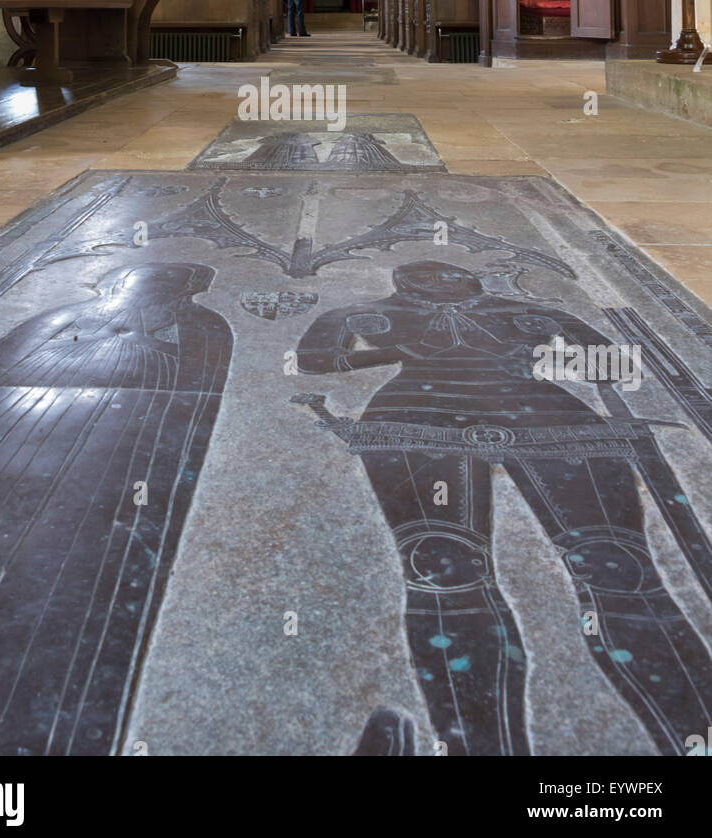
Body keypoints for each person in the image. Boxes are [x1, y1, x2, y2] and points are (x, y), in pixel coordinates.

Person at [294, 260, 712, 757]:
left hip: (552, 419)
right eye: (427, 277)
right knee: (442, 568)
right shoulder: (361, 311)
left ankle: (693, 737)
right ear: (401, 283)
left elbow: (617, 365)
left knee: (616, 568)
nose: (444, 281)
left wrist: (550, 357)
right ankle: (478, 746)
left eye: (453, 274)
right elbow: (312, 359)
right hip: (416, 419)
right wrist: (397, 350)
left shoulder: (526, 310)